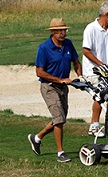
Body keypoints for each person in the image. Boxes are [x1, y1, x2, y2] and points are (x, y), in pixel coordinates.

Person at [28, 18, 82, 163]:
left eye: (64, 30)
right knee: (59, 119)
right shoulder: (44, 48)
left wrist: (81, 76)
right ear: (52, 32)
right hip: (49, 87)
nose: (62, 33)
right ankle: (60, 153)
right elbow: (39, 72)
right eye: (59, 31)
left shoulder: (68, 44)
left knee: (60, 118)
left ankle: (37, 137)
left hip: (63, 87)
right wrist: (59, 80)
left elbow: (76, 62)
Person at [82, 1, 108, 137]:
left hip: (107, 70)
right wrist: (100, 64)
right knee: (101, 93)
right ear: (107, 14)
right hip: (92, 71)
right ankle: (94, 124)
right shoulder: (90, 29)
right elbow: (86, 51)